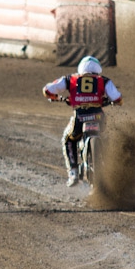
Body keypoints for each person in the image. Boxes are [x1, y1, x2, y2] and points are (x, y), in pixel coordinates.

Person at [42, 55, 123, 187]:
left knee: (68, 139)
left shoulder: (70, 79)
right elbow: (117, 98)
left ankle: (73, 172)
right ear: (98, 69)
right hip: (98, 117)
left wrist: (56, 97)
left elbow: (48, 90)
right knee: (107, 136)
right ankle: (111, 167)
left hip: (80, 118)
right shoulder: (104, 80)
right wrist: (113, 101)